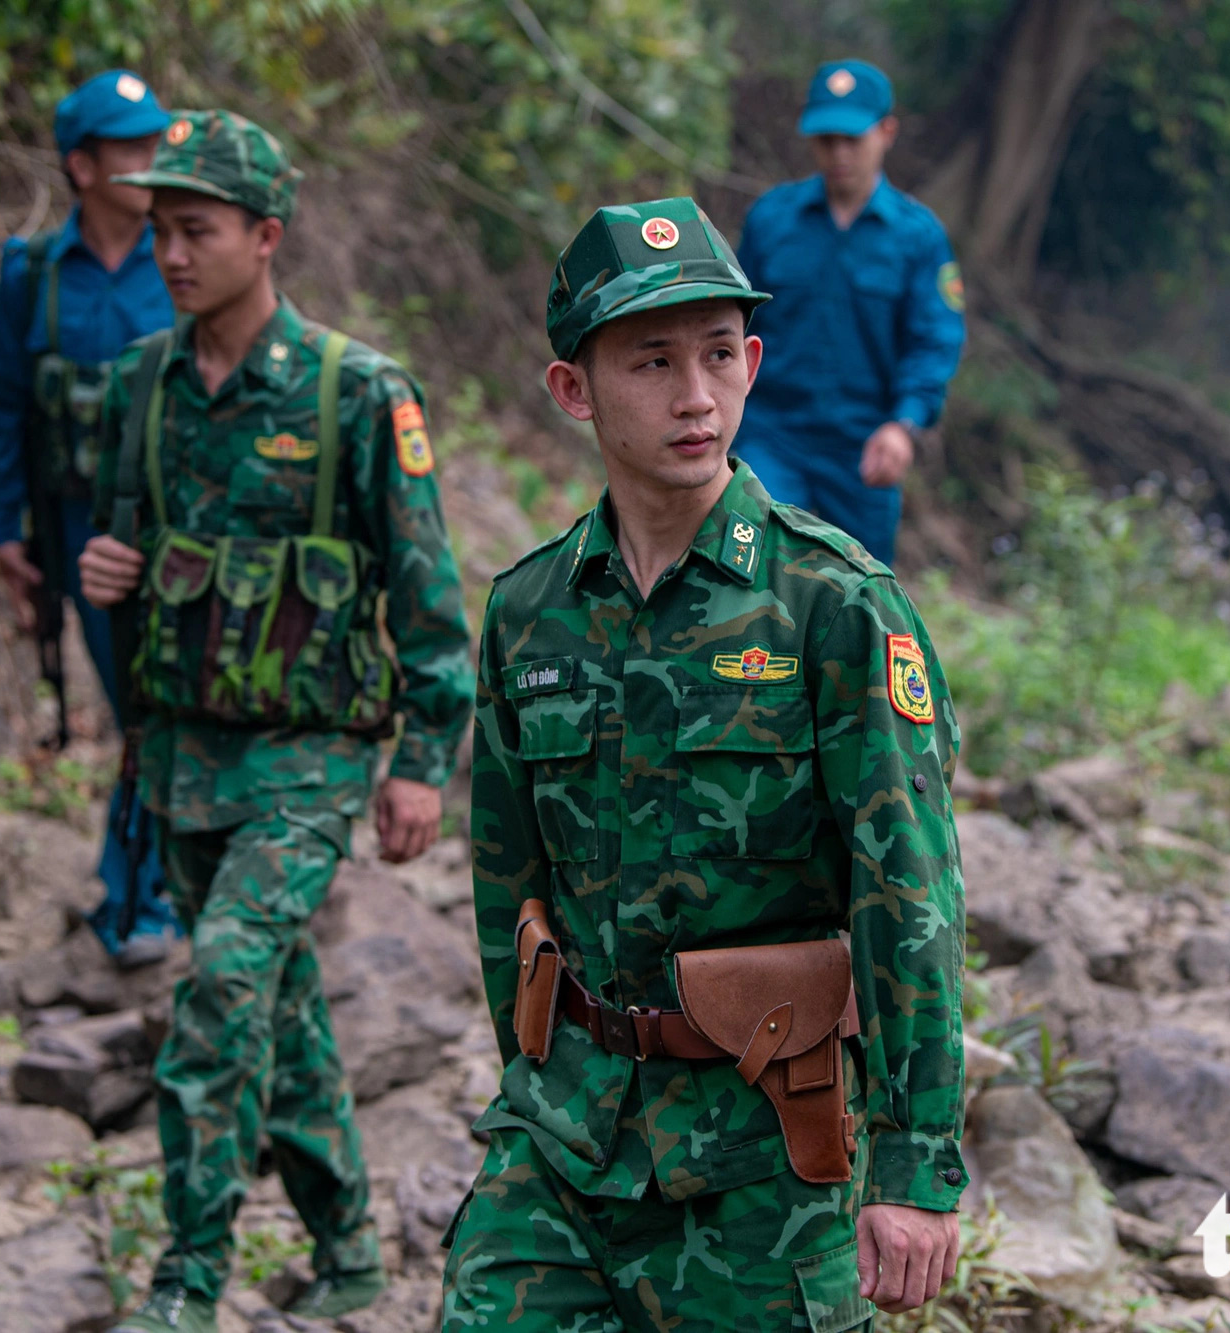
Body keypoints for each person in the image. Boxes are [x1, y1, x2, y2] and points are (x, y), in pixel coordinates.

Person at [442, 197, 968, 1330]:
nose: (694, 395)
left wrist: (916, 1168)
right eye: (651, 361)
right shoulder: (529, 611)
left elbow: (908, 892)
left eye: (719, 354)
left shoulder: (829, 603)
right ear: (572, 390)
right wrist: (524, 1073)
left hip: (761, 1155)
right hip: (563, 1142)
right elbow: (503, 878)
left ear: (753, 362)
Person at [78, 109, 474, 1333]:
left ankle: (186, 1280)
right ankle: (351, 1247)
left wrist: (420, 761)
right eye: (158, 230)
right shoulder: (136, 386)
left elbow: (426, 596)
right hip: (185, 750)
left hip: (310, 756)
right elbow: (128, 559)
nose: (171, 253)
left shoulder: (356, 393)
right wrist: (111, 578)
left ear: (267, 236)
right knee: (279, 1005)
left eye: (196, 230)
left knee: (222, 988)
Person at [0, 68, 181, 963]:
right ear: (82, 165)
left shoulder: (183, 258)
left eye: (154, 146)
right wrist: (5, 529)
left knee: (176, 700)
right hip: (77, 530)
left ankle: (161, 890)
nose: (148, 164)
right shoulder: (32, 274)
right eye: (129, 149)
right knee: (137, 706)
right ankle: (137, 893)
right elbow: (3, 402)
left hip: (182, 532)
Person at [733, 59, 966, 569]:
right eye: (826, 139)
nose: (838, 153)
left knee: (860, 593)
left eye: (852, 139)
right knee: (751, 572)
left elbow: (934, 340)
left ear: (886, 132)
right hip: (772, 433)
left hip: (864, 445)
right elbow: (730, 326)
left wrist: (903, 426)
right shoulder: (772, 220)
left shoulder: (917, 237)